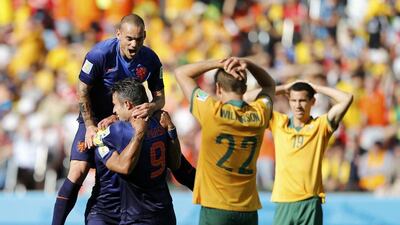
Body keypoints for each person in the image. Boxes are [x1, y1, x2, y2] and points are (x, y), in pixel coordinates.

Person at [52, 14, 194, 225]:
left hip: (128, 117)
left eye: (138, 39)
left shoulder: (151, 59)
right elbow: (82, 91)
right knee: (78, 170)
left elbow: (160, 97)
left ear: (145, 36)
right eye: (128, 38)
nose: (133, 44)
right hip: (95, 116)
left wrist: (152, 106)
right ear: (118, 34)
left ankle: (207, 195)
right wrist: (90, 126)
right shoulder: (99, 55)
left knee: (158, 158)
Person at [174, 57, 275, 225]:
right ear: (245, 87)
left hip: (216, 207)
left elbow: (181, 73)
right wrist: (248, 63)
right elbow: (270, 85)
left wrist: (218, 63)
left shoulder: (211, 111)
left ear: (218, 88)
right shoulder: (260, 113)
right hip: (248, 209)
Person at [85, 78, 180, 225]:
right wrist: (172, 130)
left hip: (137, 215)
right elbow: (175, 164)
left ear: (128, 104)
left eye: (115, 105)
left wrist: (96, 132)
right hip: (166, 212)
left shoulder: (118, 130)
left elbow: (123, 167)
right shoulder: (161, 121)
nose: (113, 111)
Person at [269, 81, 353, 225]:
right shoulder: (278, 123)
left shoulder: (320, 126)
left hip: (310, 202)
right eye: (294, 100)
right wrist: (283, 88)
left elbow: (347, 98)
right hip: (284, 201)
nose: (298, 105)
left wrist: (317, 88)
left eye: (302, 100)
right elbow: (246, 99)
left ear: (312, 102)